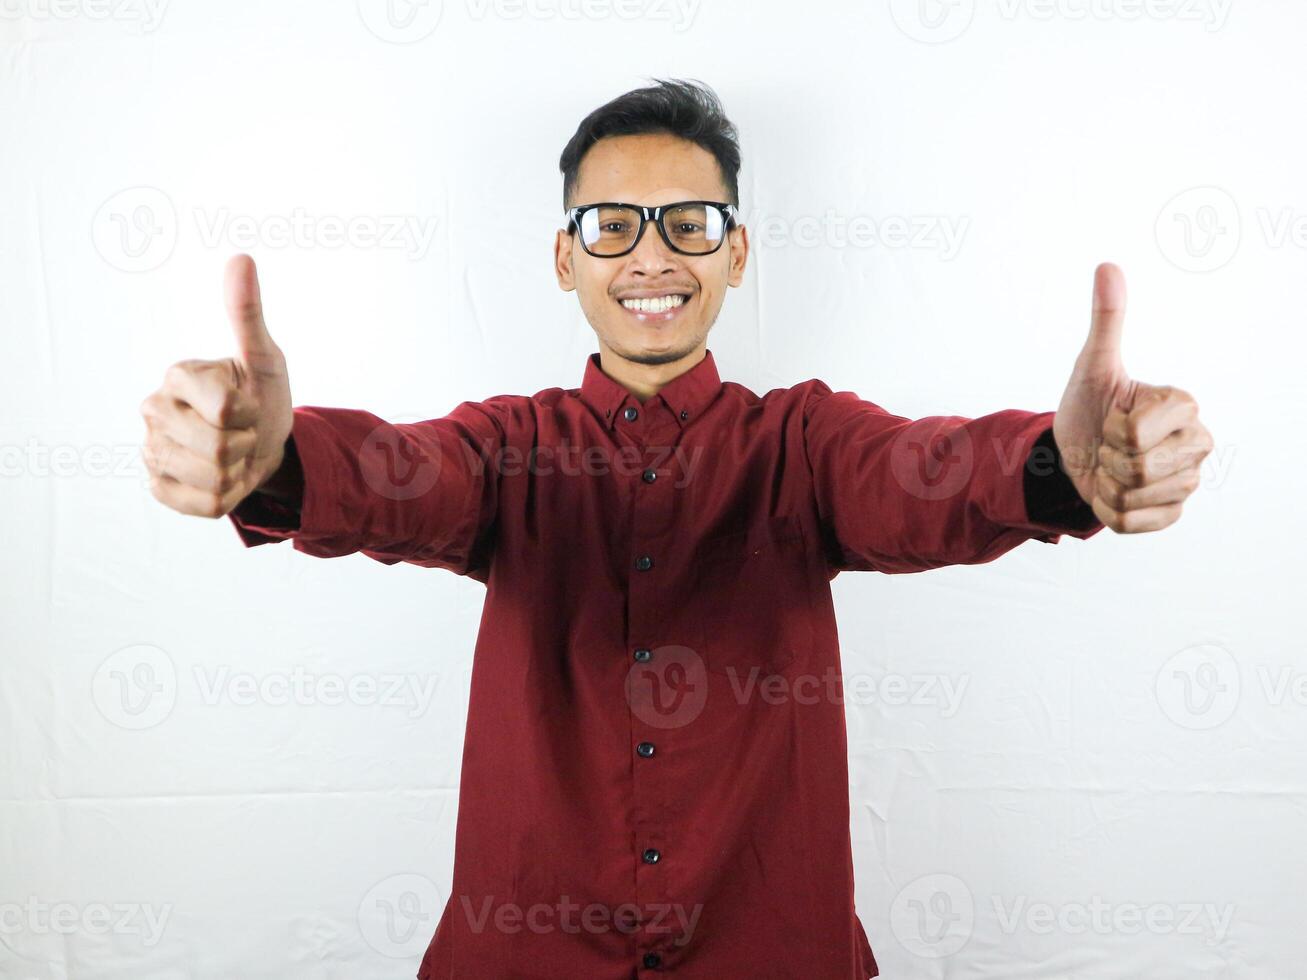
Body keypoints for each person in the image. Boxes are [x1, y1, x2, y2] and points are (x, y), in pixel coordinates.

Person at [138, 78, 1212, 979]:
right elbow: (396, 477)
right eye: (610, 225)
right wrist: (270, 460)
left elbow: (916, 478)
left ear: (733, 254)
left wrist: (1058, 466)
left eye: (686, 223)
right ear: (566, 260)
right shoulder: (507, 449)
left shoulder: (802, 442)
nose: (649, 256)